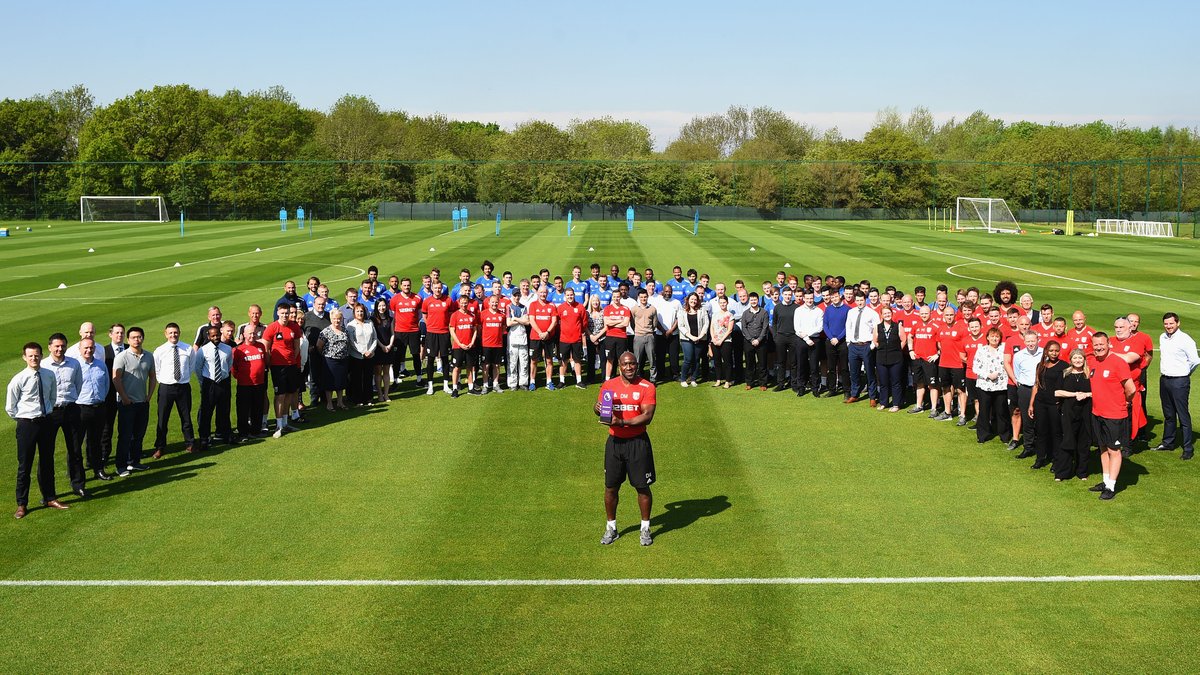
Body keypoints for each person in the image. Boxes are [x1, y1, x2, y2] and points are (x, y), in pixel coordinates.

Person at [595, 351, 658, 546]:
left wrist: (621, 421)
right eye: (625, 364)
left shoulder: (647, 387)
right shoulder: (608, 386)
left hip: (638, 443)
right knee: (611, 487)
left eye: (632, 364)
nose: (629, 367)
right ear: (619, 366)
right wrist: (597, 409)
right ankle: (611, 528)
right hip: (614, 444)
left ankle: (645, 528)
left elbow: (647, 416)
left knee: (642, 486)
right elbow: (601, 410)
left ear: (637, 365)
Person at [7, 342, 69, 517]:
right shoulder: (19, 379)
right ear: (24, 357)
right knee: (24, 465)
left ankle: (50, 497)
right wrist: (25, 419)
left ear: (41, 356)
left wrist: (45, 414)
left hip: (46, 422)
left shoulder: (49, 375)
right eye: (30, 356)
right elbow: (10, 407)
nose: (34, 358)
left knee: (47, 462)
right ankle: (22, 504)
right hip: (27, 424)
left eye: (37, 355)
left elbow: (52, 396)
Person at [1087, 332, 1135, 500]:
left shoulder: (1118, 362)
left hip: (1114, 415)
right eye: (1096, 344)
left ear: (1108, 344)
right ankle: (1106, 481)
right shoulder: (1093, 362)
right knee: (1102, 447)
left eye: (1102, 344)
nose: (1099, 347)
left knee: (1114, 450)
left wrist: (1125, 402)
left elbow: (1131, 389)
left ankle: (1111, 486)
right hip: (1097, 413)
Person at [43, 333, 85, 497]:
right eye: (57, 346)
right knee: (47, 452)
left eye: (63, 346)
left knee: (75, 449)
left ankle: (78, 485)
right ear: (50, 347)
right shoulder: (44, 365)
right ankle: (48, 493)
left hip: (71, 409)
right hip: (51, 412)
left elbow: (78, 385)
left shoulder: (74, 363)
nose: (60, 349)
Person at [112, 327, 155, 476]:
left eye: (139, 337)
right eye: (133, 337)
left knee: (139, 434)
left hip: (142, 403)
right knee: (125, 435)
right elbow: (116, 379)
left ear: (143, 338)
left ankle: (134, 462)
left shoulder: (149, 356)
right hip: (127, 404)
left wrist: (149, 396)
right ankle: (121, 465)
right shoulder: (122, 356)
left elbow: (153, 377)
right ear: (128, 340)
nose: (137, 340)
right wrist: (124, 398)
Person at [1155, 312, 1198, 460]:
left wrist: (1185, 373)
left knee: (1183, 415)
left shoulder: (1185, 339)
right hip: (1165, 379)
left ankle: (1187, 448)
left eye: (1171, 324)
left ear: (1177, 323)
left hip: (1180, 381)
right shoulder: (1162, 337)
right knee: (1168, 414)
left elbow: (1195, 360)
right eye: (1166, 324)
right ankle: (1168, 442)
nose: (1168, 326)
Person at [152, 323, 196, 457]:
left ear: (179, 333)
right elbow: (156, 369)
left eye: (175, 332)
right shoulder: (160, 350)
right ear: (166, 334)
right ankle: (160, 446)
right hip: (166, 387)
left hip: (183, 387)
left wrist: (183, 379)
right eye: (170, 333)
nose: (173, 335)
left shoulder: (187, 348)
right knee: (162, 419)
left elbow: (191, 366)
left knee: (186, 417)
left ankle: (190, 443)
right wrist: (164, 381)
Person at [74, 338, 111, 483]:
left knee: (96, 442)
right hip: (81, 408)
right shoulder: (76, 366)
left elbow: (106, 385)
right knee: (76, 444)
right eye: (86, 348)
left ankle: (98, 470)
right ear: (79, 348)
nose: (89, 350)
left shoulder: (101, 365)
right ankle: (77, 476)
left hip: (99, 407)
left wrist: (100, 399)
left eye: (91, 347)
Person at [264, 303, 304, 437]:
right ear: (278, 313)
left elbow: (297, 346)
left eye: (287, 313)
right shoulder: (272, 327)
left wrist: (292, 359)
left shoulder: (294, 327)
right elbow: (266, 349)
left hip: (291, 365)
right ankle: (278, 425)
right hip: (278, 367)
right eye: (283, 313)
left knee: (289, 393)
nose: (285, 316)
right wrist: (271, 364)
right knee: (280, 395)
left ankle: (286, 423)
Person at [1055, 349, 1093, 481]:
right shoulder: (1065, 374)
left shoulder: (1089, 374)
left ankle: (1082, 472)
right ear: (1071, 360)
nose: (1078, 360)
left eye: (1080, 358)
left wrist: (1086, 394)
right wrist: (1075, 394)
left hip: (1086, 412)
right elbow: (1057, 392)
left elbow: (1098, 391)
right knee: (1068, 441)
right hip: (1068, 411)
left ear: (1084, 359)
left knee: (1084, 442)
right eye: (1075, 358)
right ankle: (1062, 472)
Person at [193, 325, 233, 450]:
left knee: (224, 411)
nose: (215, 337)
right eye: (213, 335)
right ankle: (204, 438)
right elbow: (198, 368)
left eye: (217, 335)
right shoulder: (203, 350)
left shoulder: (227, 349)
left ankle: (225, 435)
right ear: (208, 336)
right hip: (209, 383)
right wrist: (203, 382)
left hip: (224, 383)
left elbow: (229, 364)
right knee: (206, 412)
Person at [1028, 342, 1066, 471]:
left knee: (1056, 432)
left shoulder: (1064, 366)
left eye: (1056, 351)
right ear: (1046, 352)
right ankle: (1040, 458)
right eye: (1051, 351)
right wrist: (1031, 404)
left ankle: (1056, 460)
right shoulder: (1041, 365)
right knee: (1041, 431)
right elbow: (1036, 385)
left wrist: (1061, 401)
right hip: (1040, 403)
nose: (1054, 353)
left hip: (1055, 404)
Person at [973, 328, 1011, 445]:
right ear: (988, 337)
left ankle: (1004, 435)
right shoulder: (981, 350)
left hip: (1001, 385)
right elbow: (975, 367)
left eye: (997, 337)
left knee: (1001, 411)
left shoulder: (1004, 349)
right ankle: (983, 435)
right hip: (985, 385)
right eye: (992, 336)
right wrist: (988, 375)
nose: (994, 339)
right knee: (984, 410)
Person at [232, 325, 269, 441]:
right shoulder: (238, 350)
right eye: (249, 333)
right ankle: (243, 433)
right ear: (243, 335)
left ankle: (256, 431)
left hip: (259, 383)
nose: (252, 336)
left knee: (257, 408)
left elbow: (264, 361)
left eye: (254, 333)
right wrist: (239, 377)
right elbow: (233, 367)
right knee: (243, 409)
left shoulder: (261, 346)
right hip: (244, 385)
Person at [845, 290, 879, 405]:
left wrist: (872, 345)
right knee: (854, 372)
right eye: (858, 300)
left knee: (869, 372)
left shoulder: (872, 313)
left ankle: (872, 396)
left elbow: (877, 330)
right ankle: (854, 394)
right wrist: (848, 342)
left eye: (861, 300)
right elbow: (848, 327)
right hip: (853, 346)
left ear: (865, 300)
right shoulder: (851, 312)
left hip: (866, 346)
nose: (859, 302)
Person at [1012, 331, 1042, 459]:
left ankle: (1041, 447)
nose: (1031, 343)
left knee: (1041, 418)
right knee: (1027, 419)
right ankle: (1028, 447)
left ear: (1037, 340)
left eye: (1033, 341)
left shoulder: (1043, 353)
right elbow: (1017, 373)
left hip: (1040, 389)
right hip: (1025, 389)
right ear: (1024, 342)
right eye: (1028, 341)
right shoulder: (1019, 355)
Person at [389, 277, 423, 385]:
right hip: (400, 332)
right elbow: (393, 317)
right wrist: (393, 332)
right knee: (398, 357)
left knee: (416, 355)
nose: (406, 287)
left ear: (410, 285)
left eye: (408, 285)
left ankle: (419, 379)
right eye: (404, 285)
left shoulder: (417, 298)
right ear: (401, 286)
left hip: (414, 331)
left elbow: (420, 314)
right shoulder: (395, 299)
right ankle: (395, 380)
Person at [873, 306, 907, 412]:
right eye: (885, 313)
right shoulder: (877, 327)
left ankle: (896, 404)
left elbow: (903, 340)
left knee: (896, 382)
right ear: (881, 315)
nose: (887, 315)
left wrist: (896, 350)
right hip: (881, 358)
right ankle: (884, 402)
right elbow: (875, 341)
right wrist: (882, 348)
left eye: (889, 313)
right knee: (883, 382)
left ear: (892, 314)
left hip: (896, 359)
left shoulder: (898, 326)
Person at [346, 303, 378, 405]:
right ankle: (358, 399)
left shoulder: (370, 323)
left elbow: (375, 338)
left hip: (370, 355)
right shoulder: (350, 325)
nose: (360, 313)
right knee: (357, 378)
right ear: (354, 313)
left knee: (368, 378)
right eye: (358, 311)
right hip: (357, 356)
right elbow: (352, 341)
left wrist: (371, 351)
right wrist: (363, 352)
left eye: (361, 311)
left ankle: (368, 398)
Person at [317, 311, 350, 410]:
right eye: (335, 318)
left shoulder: (344, 330)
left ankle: (340, 402)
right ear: (331, 319)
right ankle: (329, 403)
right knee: (330, 383)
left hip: (343, 359)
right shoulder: (326, 331)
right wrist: (325, 355)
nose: (337, 320)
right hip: (330, 360)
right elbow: (319, 345)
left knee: (341, 382)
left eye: (339, 318)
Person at [794, 289, 825, 396]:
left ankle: (815, 388)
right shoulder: (798, 310)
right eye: (807, 298)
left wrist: (808, 336)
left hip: (815, 340)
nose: (809, 300)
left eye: (811, 298)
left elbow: (819, 327)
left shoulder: (819, 311)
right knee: (801, 364)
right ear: (803, 298)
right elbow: (797, 328)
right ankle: (801, 387)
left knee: (814, 365)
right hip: (802, 340)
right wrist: (806, 338)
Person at [448, 294, 479, 397]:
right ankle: (455, 389)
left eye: (466, 303)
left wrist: (472, 342)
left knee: (470, 367)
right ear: (459, 303)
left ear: (468, 303)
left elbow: (475, 330)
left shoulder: (472, 315)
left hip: (470, 346)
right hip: (458, 347)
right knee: (456, 368)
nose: (464, 305)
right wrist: (459, 343)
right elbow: (452, 331)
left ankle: (470, 388)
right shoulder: (455, 315)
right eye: (462, 303)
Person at [557, 288, 588, 389]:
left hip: (576, 339)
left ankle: (579, 381)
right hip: (564, 339)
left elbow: (584, 323)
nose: (570, 297)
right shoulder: (561, 308)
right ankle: (562, 381)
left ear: (574, 295)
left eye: (571, 295)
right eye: (568, 295)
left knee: (577, 360)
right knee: (563, 361)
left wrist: (579, 332)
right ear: (564, 296)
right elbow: (557, 322)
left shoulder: (580, 307)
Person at [822, 289, 850, 397]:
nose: (834, 299)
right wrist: (831, 337)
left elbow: (848, 326)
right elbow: (825, 325)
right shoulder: (828, 309)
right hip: (830, 342)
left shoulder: (847, 309)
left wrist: (838, 338)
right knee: (831, 367)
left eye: (835, 296)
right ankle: (832, 389)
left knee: (844, 367)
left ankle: (847, 390)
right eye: (832, 297)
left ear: (840, 296)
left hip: (842, 342)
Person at [651, 285, 682, 382]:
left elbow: (679, 318)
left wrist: (671, 330)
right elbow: (655, 318)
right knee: (660, 355)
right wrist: (664, 331)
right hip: (660, 333)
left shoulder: (676, 302)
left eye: (670, 291)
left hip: (673, 334)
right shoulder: (657, 302)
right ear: (663, 291)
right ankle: (661, 374)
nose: (668, 293)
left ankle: (675, 374)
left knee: (674, 355)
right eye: (666, 291)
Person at [741, 292, 770, 390]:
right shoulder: (745, 313)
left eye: (755, 300)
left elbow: (765, 328)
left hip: (761, 342)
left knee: (762, 363)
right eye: (752, 300)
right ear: (749, 301)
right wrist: (751, 339)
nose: (753, 302)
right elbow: (744, 328)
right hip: (748, 342)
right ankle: (749, 382)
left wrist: (758, 339)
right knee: (750, 363)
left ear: (758, 300)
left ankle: (763, 383)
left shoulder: (764, 312)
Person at [678, 293, 709, 387]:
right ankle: (683, 378)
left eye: (695, 299)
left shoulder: (702, 310)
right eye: (692, 299)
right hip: (686, 339)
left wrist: (700, 336)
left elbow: (706, 324)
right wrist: (691, 336)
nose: (693, 301)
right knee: (688, 358)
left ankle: (693, 379)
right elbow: (681, 326)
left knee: (696, 359)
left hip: (700, 338)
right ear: (688, 300)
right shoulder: (682, 311)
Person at [479, 294, 507, 392]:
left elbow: (503, 329)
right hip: (486, 344)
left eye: (496, 302)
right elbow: (479, 328)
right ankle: (485, 385)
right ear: (489, 303)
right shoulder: (483, 314)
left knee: (496, 365)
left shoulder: (502, 315)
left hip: (498, 344)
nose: (494, 304)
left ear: (498, 303)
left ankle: (496, 384)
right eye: (492, 302)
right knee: (486, 365)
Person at [601, 292, 632, 381]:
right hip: (610, 337)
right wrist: (619, 320)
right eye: (614, 297)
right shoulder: (607, 308)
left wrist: (613, 322)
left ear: (620, 297)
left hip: (622, 337)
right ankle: (607, 380)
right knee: (609, 359)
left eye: (618, 297)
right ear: (612, 298)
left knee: (621, 360)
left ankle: (622, 380)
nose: (616, 298)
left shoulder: (625, 309)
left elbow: (625, 323)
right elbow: (607, 323)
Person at [630, 289, 659, 383]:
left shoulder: (653, 309)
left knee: (652, 360)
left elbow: (655, 323)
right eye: (641, 297)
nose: (643, 299)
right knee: (637, 359)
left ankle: (653, 379)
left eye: (645, 297)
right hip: (638, 336)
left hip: (649, 336)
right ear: (638, 297)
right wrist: (638, 330)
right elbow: (632, 323)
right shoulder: (634, 309)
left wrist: (648, 330)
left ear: (647, 297)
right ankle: (637, 378)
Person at [371, 298, 394, 403]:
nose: (382, 308)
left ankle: (386, 394)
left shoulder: (390, 319)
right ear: (376, 307)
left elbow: (392, 333)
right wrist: (382, 346)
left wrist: (389, 345)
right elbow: (374, 335)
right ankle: (380, 394)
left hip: (388, 348)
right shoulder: (373, 319)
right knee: (378, 372)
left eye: (383, 305)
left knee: (386, 372)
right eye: (379, 306)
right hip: (378, 349)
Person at [506, 295, 531, 391]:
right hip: (513, 337)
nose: (516, 297)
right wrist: (521, 320)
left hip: (522, 336)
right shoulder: (509, 307)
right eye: (515, 296)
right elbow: (508, 323)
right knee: (512, 361)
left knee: (524, 361)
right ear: (512, 296)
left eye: (518, 296)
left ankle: (523, 383)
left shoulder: (524, 307)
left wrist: (515, 318)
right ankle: (512, 384)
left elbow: (527, 322)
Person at [709, 295, 734, 389]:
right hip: (715, 341)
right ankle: (718, 380)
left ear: (727, 303)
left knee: (727, 362)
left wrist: (721, 340)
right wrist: (713, 338)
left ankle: (728, 381)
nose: (723, 304)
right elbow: (711, 327)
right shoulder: (715, 314)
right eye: (721, 303)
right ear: (718, 303)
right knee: (717, 361)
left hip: (726, 341)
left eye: (724, 302)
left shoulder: (730, 315)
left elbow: (729, 330)